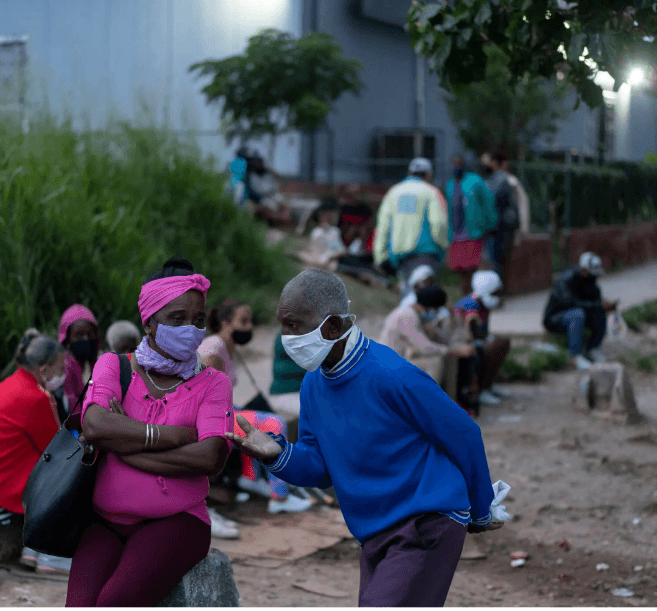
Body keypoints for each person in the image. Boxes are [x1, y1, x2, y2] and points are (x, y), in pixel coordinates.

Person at [227, 269, 504, 607]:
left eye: (294, 326)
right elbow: (318, 466)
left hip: (425, 522)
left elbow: (464, 433)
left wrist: (480, 511)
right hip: (374, 530)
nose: (286, 338)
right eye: (283, 326)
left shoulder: (390, 374)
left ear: (331, 327)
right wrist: (276, 455)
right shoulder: (314, 384)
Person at [66, 258, 233, 607]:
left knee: (114, 602)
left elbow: (211, 456)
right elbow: (95, 424)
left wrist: (125, 447)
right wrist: (173, 436)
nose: (191, 329)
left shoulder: (213, 383)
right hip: (105, 522)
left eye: (198, 320)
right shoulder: (115, 365)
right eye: (177, 319)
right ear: (149, 323)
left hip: (177, 522)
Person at [0, 329, 71, 575]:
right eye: (60, 368)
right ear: (43, 370)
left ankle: (33, 551)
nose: (62, 374)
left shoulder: (12, 383)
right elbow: (59, 450)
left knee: (46, 469)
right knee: (67, 475)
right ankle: (52, 557)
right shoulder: (36, 398)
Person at [198, 299, 312, 515]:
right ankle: (280, 498)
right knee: (274, 423)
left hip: (222, 411)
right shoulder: (213, 350)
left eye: (250, 321)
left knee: (258, 418)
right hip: (210, 419)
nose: (249, 327)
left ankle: (250, 478)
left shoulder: (226, 346)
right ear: (225, 323)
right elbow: (207, 401)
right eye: (243, 321)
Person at [373, 157, 450, 300]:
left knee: (408, 294)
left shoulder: (393, 192)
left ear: (409, 172)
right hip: (426, 253)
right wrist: (444, 245)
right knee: (425, 297)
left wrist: (379, 256)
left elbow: (382, 226)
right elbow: (439, 223)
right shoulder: (432, 192)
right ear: (429, 174)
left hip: (399, 255)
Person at [378, 283, 476, 385]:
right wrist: (455, 351)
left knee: (449, 358)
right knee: (435, 361)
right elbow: (425, 347)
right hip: (390, 366)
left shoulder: (416, 315)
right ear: (430, 307)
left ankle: (450, 398)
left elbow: (443, 339)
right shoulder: (407, 316)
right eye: (436, 309)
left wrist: (450, 317)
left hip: (401, 359)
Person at [543, 252, 617, 370]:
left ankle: (592, 349)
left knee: (598, 311)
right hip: (555, 318)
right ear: (584, 271)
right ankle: (575, 357)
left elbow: (594, 301)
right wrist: (596, 305)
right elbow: (571, 303)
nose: (595, 277)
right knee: (578, 314)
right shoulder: (566, 281)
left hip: (577, 314)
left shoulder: (591, 282)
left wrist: (605, 305)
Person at [453, 271, 512, 409]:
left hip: (476, 341)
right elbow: (466, 334)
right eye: (494, 293)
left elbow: (483, 332)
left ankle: (488, 384)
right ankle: (481, 389)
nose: (497, 297)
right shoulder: (469, 306)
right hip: (464, 344)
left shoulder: (483, 305)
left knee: (502, 343)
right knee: (491, 348)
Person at [445, 155, 498, 295]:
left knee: (476, 266)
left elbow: (488, 203)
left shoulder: (475, 181)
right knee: (461, 269)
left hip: (474, 232)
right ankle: (466, 297)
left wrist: (490, 224)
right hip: (456, 234)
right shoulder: (450, 184)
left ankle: (482, 294)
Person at [484, 152, 521, 294]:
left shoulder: (500, 181)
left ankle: (498, 293)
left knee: (496, 262)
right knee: (499, 262)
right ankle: (499, 292)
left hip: (498, 229)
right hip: (502, 228)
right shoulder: (500, 180)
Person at [57, 304, 101, 420]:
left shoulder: (97, 365)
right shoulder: (62, 369)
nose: (86, 339)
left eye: (89, 334)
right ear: (67, 339)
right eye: (79, 335)